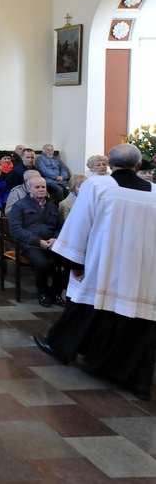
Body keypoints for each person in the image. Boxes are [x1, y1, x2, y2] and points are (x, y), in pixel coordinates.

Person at [34, 144, 156, 400]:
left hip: (105, 264)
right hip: (143, 272)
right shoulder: (154, 192)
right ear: (137, 166)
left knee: (86, 306)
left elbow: (79, 224)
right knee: (137, 319)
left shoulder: (97, 186)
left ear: (110, 164)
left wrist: (75, 263)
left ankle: (60, 347)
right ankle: (136, 380)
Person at [7, 176, 69, 307]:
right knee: (42, 264)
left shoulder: (52, 206)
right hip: (30, 245)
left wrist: (55, 238)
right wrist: (37, 241)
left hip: (52, 244)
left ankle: (55, 292)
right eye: (37, 187)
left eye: (43, 187)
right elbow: (16, 230)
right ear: (29, 189)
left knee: (72, 262)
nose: (41, 190)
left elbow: (61, 227)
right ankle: (43, 293)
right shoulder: (20, 206)